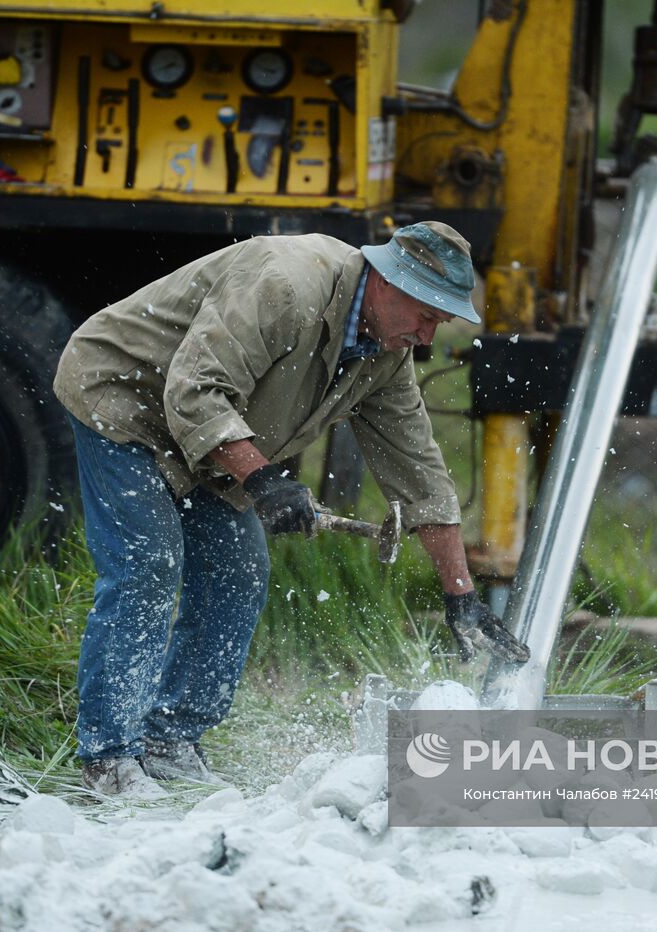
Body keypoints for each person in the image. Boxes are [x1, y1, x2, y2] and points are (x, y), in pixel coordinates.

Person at [53, 221, 530, 795]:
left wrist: (461, 594)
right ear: (388, 282)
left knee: (239, 571)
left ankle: (169, 740)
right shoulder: (285, 285)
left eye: (440, 324)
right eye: (426, 316)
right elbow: (195, 391)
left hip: (212, 438)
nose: (427, 337)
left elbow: (420, 474)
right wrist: (265, 482)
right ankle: (109, 759)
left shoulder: (384, 355)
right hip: (128, 399)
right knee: (149, 566)